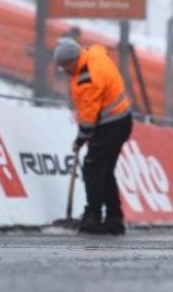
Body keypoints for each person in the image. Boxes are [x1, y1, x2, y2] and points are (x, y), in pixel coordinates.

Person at [53, 37, 132, 235]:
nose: (64, 71)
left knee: (92, 168)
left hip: (111, 124)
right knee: (104, 171)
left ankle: (93, 217)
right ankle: (114, 219)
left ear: (72, 60)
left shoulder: (87, 78)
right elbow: (99, 48)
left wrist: (81, 139)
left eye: (64, 66)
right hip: (119, 121)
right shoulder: (93, 54)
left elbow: (89, 117)